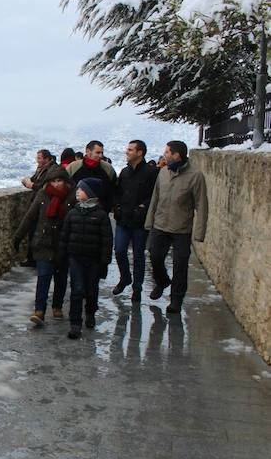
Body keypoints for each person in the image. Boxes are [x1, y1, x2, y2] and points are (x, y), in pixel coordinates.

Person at [144, 140, 208, 314]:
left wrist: (199, 232)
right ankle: (162, 281)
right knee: (155, 256)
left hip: (181, 229)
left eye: (167, 152)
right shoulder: (163, 172)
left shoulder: (196, 176)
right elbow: (155, 198)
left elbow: (201, 205)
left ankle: (176, 299)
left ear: (177, 155)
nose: (165, 154)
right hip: (160, 225)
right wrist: (149, 222)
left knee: (180, 265)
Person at [13, 167, 76, 326]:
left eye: (59, 181)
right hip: (43, 242)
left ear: (65, 181)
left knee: (61, 277)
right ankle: (39, 310)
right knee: (44, 276)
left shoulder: (72, 197)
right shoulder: (43, 195)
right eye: (53, 181)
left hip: (63, 244)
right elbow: (30, 216)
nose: (55, 184)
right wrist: (18, 237)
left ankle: (57, 306)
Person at [58, 179, 113, 339]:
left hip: (94, 259)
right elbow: (64, 237)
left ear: (89, 193)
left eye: (80, 189)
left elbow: (107, 240)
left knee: (91, 289)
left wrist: (105, 261)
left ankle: (90, 312)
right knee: (77, 290)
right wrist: (61, 257)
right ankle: (75, 324)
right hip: (75, 258)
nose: (77, 192)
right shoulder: (72, 213)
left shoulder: (101, 215)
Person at [112, 140, 159, 302]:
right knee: (119, 250)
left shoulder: (151, 172)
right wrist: (116, 207)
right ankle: (125, 277)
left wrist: (142, 208)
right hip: (123, 220)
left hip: (139, 222)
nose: (127, 152)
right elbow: (118, 192)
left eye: (131, 150)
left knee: (138, 255)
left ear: (140, 153)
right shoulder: (124, 172)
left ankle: (137, 288)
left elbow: (154, 194)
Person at [67, 140, 117, 209]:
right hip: (76, 210)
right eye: (98, 153)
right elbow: (66, 186)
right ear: (88, 151)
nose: (101, 156)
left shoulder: (108, 168)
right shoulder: (73, 167)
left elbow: (113, 189)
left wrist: (109, 207)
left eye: (102, 153)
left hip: (100, 212)